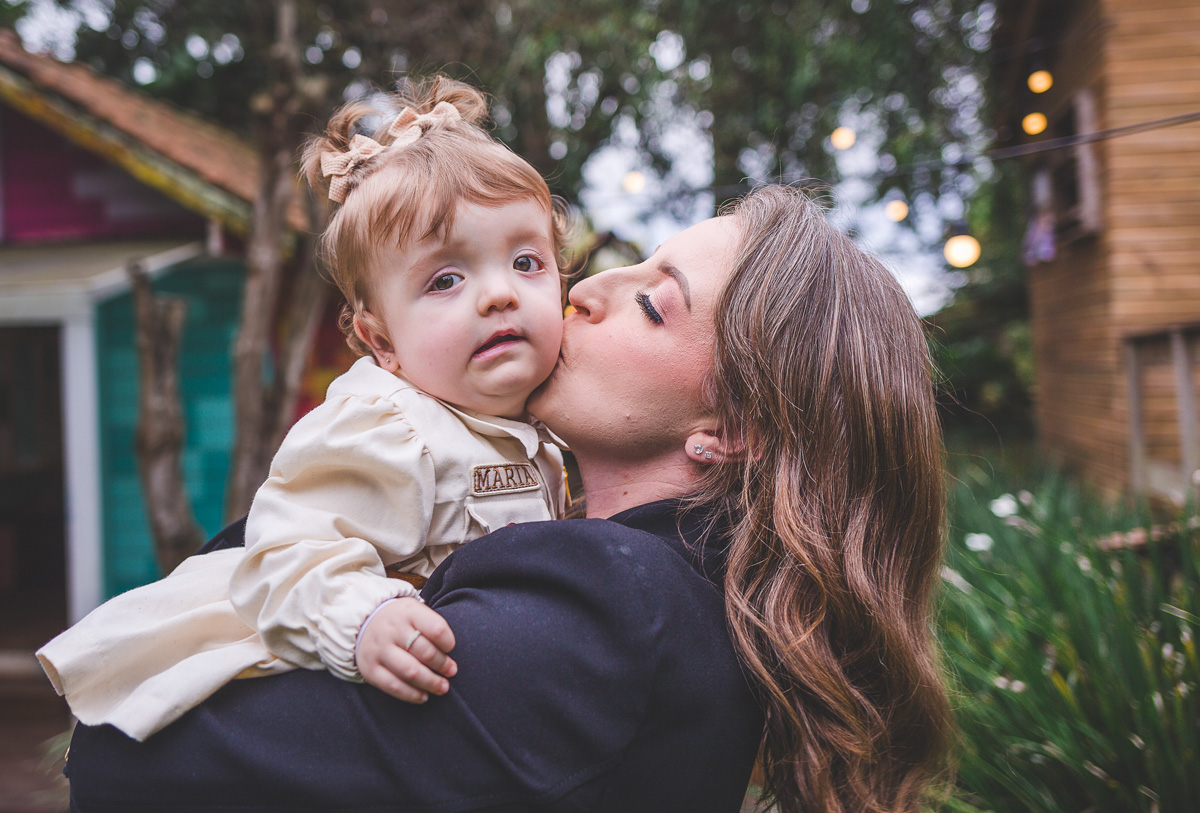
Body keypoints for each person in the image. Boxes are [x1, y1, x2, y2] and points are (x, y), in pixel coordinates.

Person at [63, 183, 953, 812]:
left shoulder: (606, 602)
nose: (585, 289)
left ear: (732, 428)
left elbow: (119, 756)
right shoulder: (681, 593)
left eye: (654, 303)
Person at [37, 76, 573, 741]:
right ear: (382, 342)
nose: (499, 294)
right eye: (445, 279)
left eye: (527, 261)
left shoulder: (546, 426)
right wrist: (366, 618)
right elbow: (286, 554)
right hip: (386, 714)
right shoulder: (390, 426)